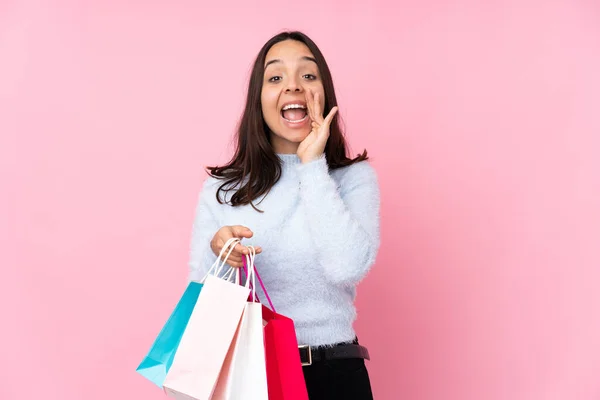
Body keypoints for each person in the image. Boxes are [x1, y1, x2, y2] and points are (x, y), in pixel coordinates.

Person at [187, 30, 380, 399]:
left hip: (336, 375)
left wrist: (311, 165)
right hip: (252, 375)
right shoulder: (222, 189)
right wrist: (221, 256)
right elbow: (203, 305)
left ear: (325, 94)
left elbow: (346, 266)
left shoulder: (352, 178)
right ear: (259, 100)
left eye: (308, 76)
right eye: (275, 77)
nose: (293, 86)